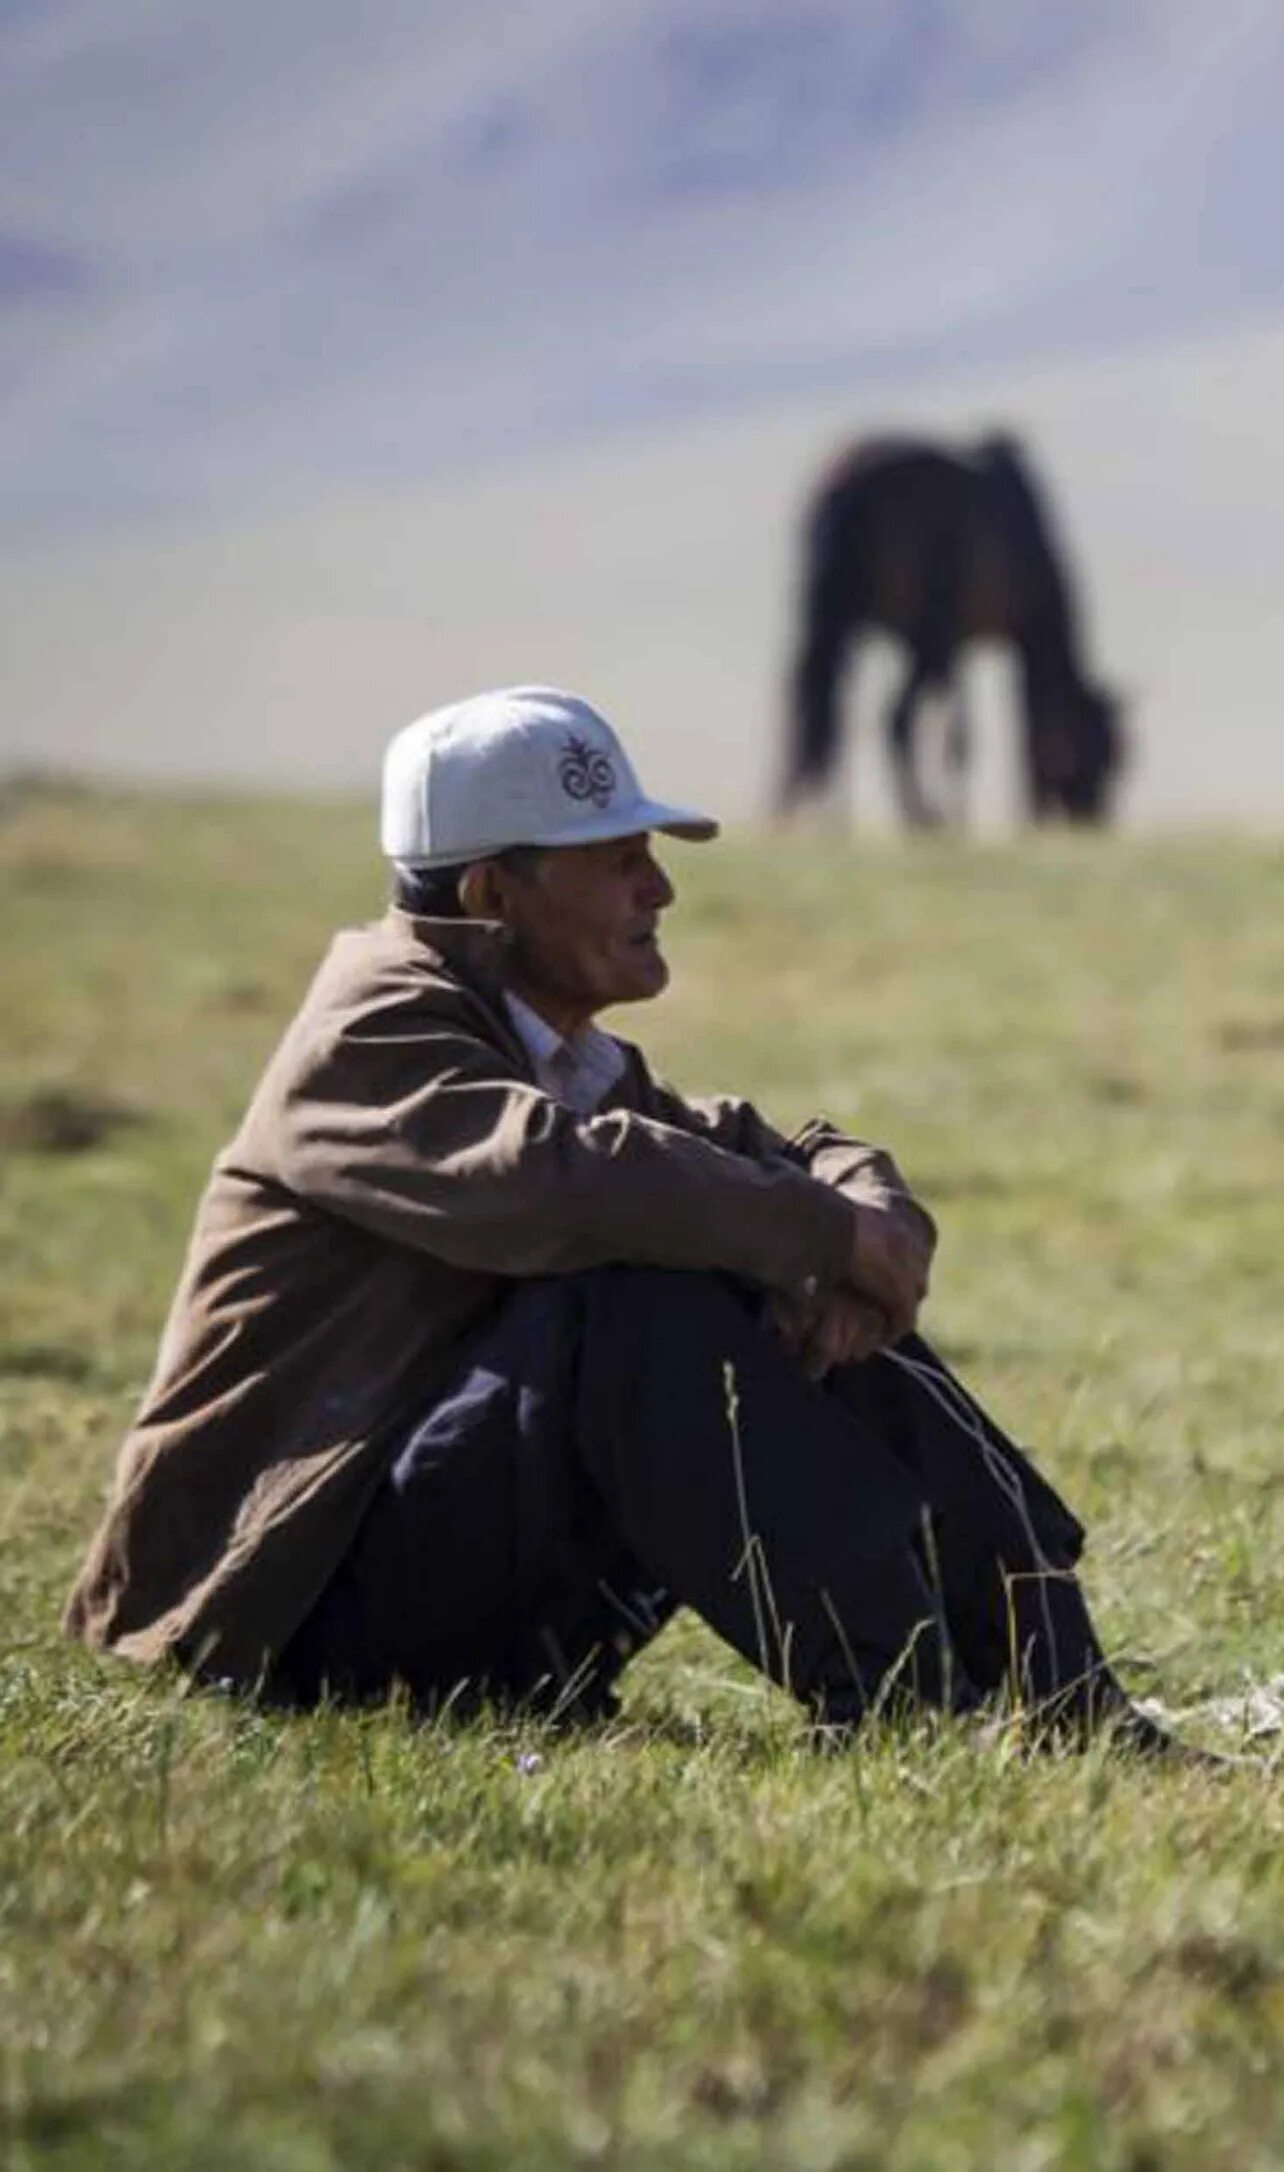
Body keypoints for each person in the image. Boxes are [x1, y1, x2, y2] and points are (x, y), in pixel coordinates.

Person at [64, 686, 1169, 1743]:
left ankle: (1061, 1691)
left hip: (441, 1599)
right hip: (272, 1618)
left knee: (721, 1247)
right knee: (639, 1294)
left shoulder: (545, 1049)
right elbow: (563, 1180)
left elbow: (776, 1161)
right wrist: (826, 1241)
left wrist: (859, 1237)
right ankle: (904, 1702)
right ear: (493, 895)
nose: (660, 891)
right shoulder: (369, 1035)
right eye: (620, 861)